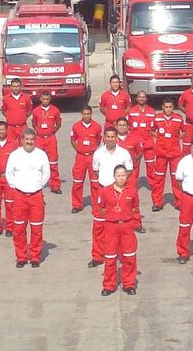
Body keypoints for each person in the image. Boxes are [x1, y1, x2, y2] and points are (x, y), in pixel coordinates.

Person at [5, 129, 51, 268]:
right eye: (27, 139)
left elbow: (46, 174)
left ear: (35, 141)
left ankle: (35, 256)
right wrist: (17, 186)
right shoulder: (15, 155)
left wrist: (37, 186)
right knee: (19, 228)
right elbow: (9, 173)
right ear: (22, 140)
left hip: (36, 196)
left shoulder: (41, 155)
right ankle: (21, 257)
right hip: (19, 196)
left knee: (36, 229)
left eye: (32, 139)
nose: (29, 142)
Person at [90, 126, 134, 267]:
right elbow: (96, 171)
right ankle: (98, 256)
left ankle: (120, 255)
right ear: (104, 137)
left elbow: (129, 170)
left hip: (119, 193)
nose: (110, 139)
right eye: (107, 136)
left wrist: (118, 186)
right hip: (103, 192)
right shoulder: (98, 154)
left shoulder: (124, 153)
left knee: (119, 227)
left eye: (112, 136)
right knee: (99, 225)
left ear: (116, 137)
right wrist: (107, 188)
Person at [96, 164, 141, 296]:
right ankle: (109, 285)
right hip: (111, 226)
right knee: (110, 257)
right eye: (118, 176)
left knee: (129, 256)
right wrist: (113, 216)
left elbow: (135, 207)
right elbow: (101, 209)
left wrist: (125, 217)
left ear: (126, 176)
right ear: (114, 177)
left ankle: (129, 284)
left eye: (123, 175)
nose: (121, 178)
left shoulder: (132, 191)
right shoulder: (105, 191)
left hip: (127, 226)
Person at [150, 98, 185, 211]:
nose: (168, 109)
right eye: (166, 107)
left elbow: (184, 131)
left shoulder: (179, 119)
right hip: (161, 153)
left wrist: (176, 139)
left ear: (173, 107)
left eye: (170, 107)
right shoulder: (157, 118)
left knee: (176, 178)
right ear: (163, 107)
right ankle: (157, 203)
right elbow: (151, 130)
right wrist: (160, 138)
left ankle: (179, 202)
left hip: (175, 154)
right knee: (158, 179)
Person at [69, 105, 103, 213]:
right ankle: (77, 205)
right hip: (80, 157)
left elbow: (99, 139)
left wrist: (92, 149)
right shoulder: (76, 126)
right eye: (84, 114)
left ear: (91, 114)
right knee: (77, 182)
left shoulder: (97, 126)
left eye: (88, 114)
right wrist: (79, 149)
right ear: (81, 114)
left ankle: (96, 205)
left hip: (92, 157)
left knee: (95, 182)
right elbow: (73, 139)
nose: (86, 116)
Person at [31, 91, 63, 194]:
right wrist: (39, 131)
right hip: (39, 139)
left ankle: (55, 186)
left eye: (47, 99)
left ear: (50, 99)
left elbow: (58, 123)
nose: (45, 101)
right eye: (43, 99)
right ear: (40, 99)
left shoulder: (55, 110)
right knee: (37, 163)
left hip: (51, 139)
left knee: (53, 163)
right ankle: (36, 185)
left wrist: (52, 131)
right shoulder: (35, 111)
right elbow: (34, 123)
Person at [127, 91, 158, 186]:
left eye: (143, 97)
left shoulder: (152, 112)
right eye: (140, 97)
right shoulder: (131, 112)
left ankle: (153, 186)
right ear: (136, 99)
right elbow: (126, 126)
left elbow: (156, 127)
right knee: (134, 167)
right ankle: (132, 186)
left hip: (148, 144)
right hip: (135, 146)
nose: (142, 98)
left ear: (146, 99)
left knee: (151, 167)